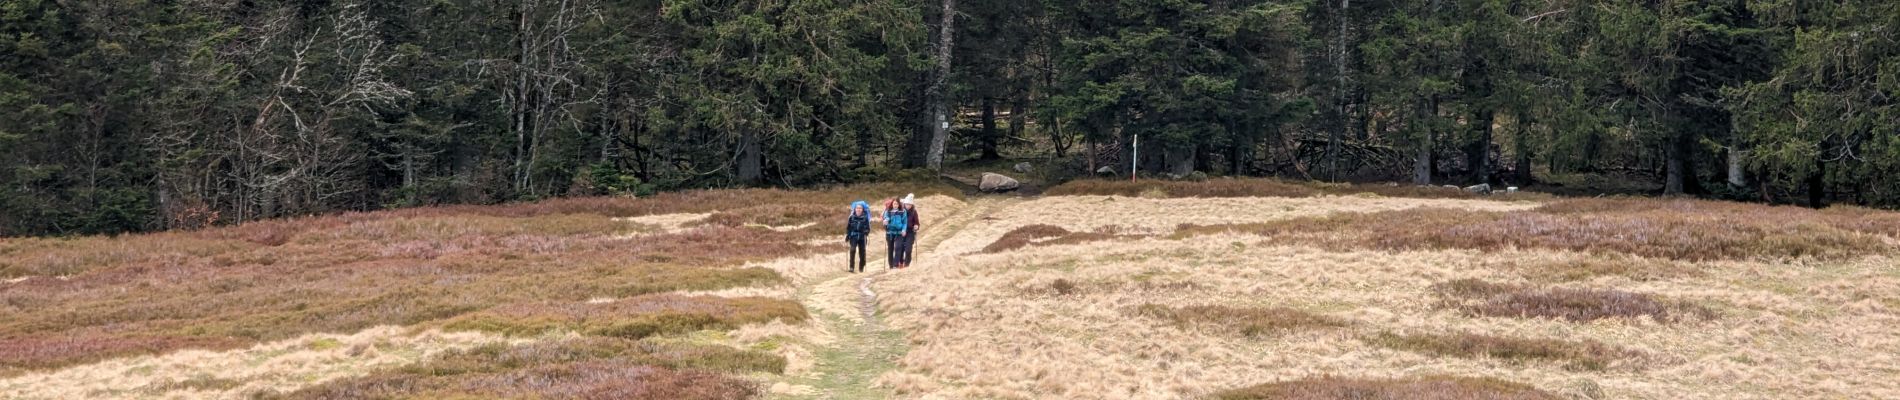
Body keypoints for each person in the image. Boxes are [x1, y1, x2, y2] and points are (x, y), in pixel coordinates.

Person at [845, 201, 871, 273]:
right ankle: (851, 267)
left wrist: (866, 232)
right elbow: (848, 227)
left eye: (860, 208)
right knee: (852, 250)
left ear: (862, 209)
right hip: (854, 236)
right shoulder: (851, 217)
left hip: (862, 236)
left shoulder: (865, 218)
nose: (858, 209)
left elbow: (868, 228)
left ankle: (861, 267)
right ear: (855, 209)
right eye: (857, 208)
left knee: (862, 252)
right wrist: (848, 235)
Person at [882, 197, 908, 270]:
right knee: (890, 249)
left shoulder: (903, 211)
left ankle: (895, 265)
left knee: (898, 247)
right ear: (892, 204)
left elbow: (904, 222)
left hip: (899, 233)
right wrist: (886, 221)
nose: (895, 205)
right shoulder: (888, 211)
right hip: (890, 233)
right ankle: (891, 266)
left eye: (897, 204)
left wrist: (904, 230)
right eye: (894, 204)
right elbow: (886, 217)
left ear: (899, 204)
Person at [899, 194, 921, 268]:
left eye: (910, 205)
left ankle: (907, 264)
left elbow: (917, 222)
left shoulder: (914, 212)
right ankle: (900, 263)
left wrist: (916, 226)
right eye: (907, 204)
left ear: (912, 205)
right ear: (904, 204)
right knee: (900, 249)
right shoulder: (901, 211)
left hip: (910, 232)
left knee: (908, 249)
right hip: (901, 232)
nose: (908, 206)